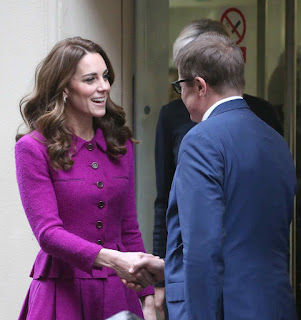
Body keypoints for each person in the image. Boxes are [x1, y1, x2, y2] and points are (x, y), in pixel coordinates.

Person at [128, 32, 298, 319]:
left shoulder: (200, 140)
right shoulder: (276, 141)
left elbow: (203, 249)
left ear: (199, 86)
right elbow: (249, 236)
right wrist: (170, 268)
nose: (179, 95)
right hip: (274, 304)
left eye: (180, 86)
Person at [15, 37, 156, 320]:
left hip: (119, 293)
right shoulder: (33, 148)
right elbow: (48, 234)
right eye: (90, 79)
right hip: (61, 293)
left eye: (105, 77)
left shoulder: (120, 144)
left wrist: (148, 297)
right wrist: (114, 259)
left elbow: (129, 228)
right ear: (65, 89)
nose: (103, 86)